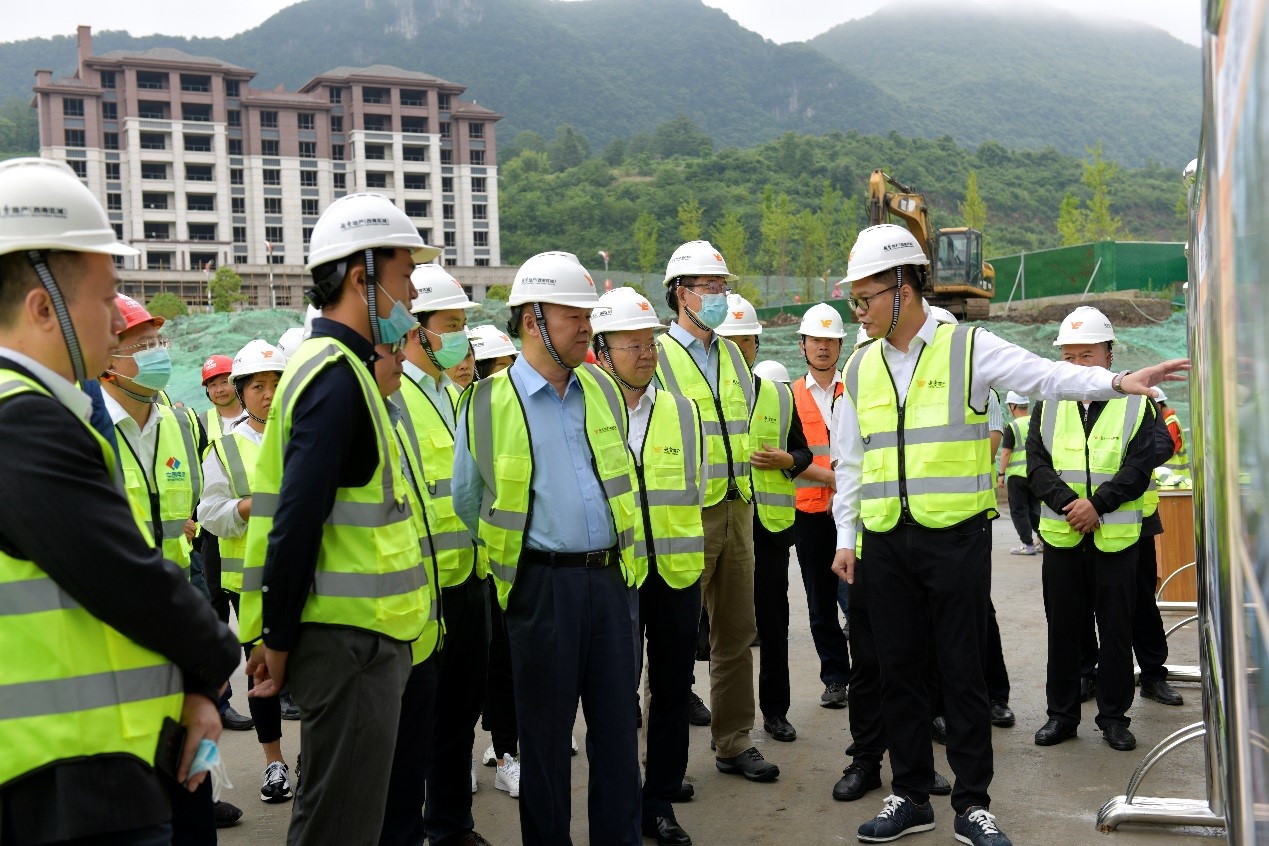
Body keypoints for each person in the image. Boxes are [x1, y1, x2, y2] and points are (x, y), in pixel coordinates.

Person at [830, 225, 1188, 845]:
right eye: (854, 301)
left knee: (962, 671)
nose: (857, 312)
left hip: (955, 539)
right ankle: (910, 795)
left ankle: (972, 804)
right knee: (899, 671)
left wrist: (1115, 382)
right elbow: (851, 461)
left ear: (903, 287)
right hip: (884, 540)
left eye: (865, 298)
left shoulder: (967, 347)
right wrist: (845, 536)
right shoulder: (860, 366)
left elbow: (1045, 376)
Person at [0, 156, 239, 845]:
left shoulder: (46, 409)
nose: (116, 321)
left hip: (89, 761)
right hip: (68, 779)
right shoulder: (21, 418)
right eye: (106, 300)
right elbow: (124, 573)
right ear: (42, 307)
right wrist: (216, 659)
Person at [238, 192, 437, 845]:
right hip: (350, 644)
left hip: (361, 638)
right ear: (361, 278)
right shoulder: (334, 376)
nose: (411, 293)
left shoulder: (341, 368)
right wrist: (278, 640)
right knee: (339, 826)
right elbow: (297, 521)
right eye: (404, 275)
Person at [453, 251, 643, 846]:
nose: (588, 327)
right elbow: (467, 501)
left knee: (617, 734)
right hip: (540, 588)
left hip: (611, 581)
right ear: (533, 320)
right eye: (574, 317)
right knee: (544, 740)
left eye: (588, 316)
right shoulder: (486, 402)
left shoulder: (602, 388)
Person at [656, 240, 779, 783]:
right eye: (710, 287)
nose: (720, 296)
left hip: (737, 507)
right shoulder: (657, 356)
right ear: (681, 294)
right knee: (674, 637)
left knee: (736, 633)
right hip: (686, 513)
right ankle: (665, 764)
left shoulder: (732, 355)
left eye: (723, 286)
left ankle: (734, 741)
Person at [1029, 306, 1175, 757]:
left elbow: (1139, 466)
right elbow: (1036, 465)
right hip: (1063, 537)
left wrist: (1098, 505)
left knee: (1115, 632)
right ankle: (1061, 715)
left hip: (1115, 540)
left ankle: (1113, 718)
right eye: (1068, 357)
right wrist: (1070, 505)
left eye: (1086, 355)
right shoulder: (1048, 402)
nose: (1077, 365)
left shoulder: (1136, 403)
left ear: (1109, 355)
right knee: (1063, 631)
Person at [591, 287, 706, 846]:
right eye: (631, 344)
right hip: (615, 578)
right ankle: (620, 802)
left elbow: (696, 488)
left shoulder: (683, 412)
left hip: (676, 575)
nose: (645, 354)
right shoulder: (587, 413)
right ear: (602, 352)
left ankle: (659, 800)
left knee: (671, 692)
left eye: (650, 344)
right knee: (614, 700)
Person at [396, 263, 493, 846]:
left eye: (462, 325)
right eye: (452, 325)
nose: (461, 337)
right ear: (417, 330)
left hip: (467, 579)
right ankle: (410, 829)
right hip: (418, 589)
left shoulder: (458, 395)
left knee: (460, 711)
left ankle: (452, 824)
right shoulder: (393, 397)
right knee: (416, 721)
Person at [197, 339, 297, 805]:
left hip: (310, 576)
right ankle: (273, 761)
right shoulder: (225, 447)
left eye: (277, 383)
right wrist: (247, 506)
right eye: (258, 386)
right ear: (242, 392)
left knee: (312, 669)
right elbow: (209, 512)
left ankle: (313, 758)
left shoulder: (306, 434)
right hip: (251, 583)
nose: (269, 393)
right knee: (261, 672)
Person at [713, 294, 813, 743]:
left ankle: (776, 711)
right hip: (718, 524)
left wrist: (787, 459)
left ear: (756, 344)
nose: (739, 349)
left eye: (746, 341)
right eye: (729, 341)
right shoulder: (704, 397)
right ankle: (718, 715)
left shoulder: (778, 394)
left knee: (773, 626)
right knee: (718, 631)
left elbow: (803, 452)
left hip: (768, 530)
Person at [378, 336, 446, 846]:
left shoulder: (394, 416)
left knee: (410, 763)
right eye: (390, 348)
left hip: (420, 619)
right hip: (372, 634)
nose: (402, 357)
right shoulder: (343, 422)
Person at [790, 303, 852, 710]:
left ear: (841, 346)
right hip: (810, 513)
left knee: (861, 598)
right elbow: (791, 457)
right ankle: (835, 678)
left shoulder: (858, 389)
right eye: (816, 339)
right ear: (803, 345)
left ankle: (870, 674)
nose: (823, 346)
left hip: (853, 511)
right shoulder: (789, 396)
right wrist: (832, 480)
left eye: (830, 340)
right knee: (820, 603)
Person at [998, 392, 1041, 555]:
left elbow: (1006, 453)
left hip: (1017, 476)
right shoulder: (1037, 422)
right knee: (1034, 509)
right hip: (1035, 474)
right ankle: (1043, 540)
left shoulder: (1013, 426)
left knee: (1019, 510)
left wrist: (1001, 474)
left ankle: (1028, 544)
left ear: (1013, 406)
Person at [201, 353, 244, 440]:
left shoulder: (257, 411)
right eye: (213, 385)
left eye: (224, 382)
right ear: (208, 391)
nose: (219, 390)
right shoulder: (200, 424)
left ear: (236, 382)